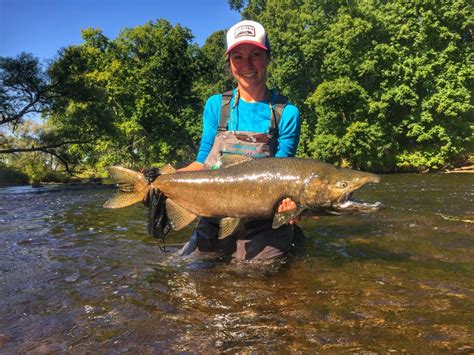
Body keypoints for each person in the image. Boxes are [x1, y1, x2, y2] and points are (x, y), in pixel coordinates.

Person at [178, 20, 304, 260]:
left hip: (263, 222)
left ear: (267, 57)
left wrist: (292, 210)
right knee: (198, 274)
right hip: (216, 213)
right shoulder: (217, 106)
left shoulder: (286, 113)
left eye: (255, 54)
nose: (247, 65)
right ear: (229, 63)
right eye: (238, 57)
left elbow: (284, 175)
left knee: (258, 278)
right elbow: (203, 162)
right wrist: (162, 182)